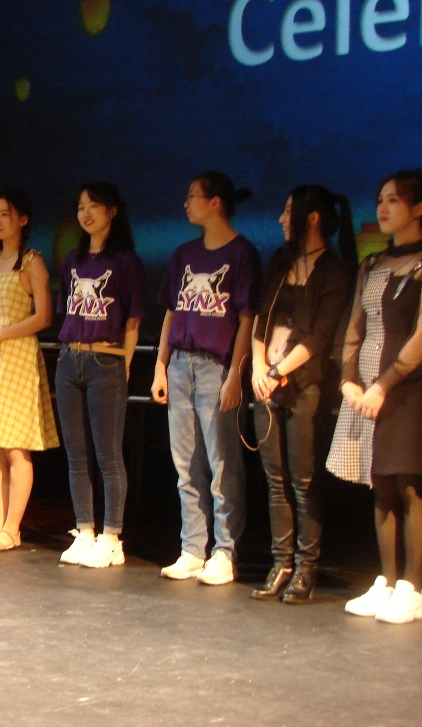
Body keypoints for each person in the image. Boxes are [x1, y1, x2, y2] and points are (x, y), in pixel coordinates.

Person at [327, 169, 422, 624]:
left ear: (419, 208)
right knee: (379, 483)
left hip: (406, 387)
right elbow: (353, 327)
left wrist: (384, 385)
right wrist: (348, 379)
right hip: (367, 388)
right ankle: (387, 580)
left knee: (409, 483)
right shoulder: (373, 264)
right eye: (380, 199)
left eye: (394, 200)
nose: (382, 207)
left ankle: (413, 589)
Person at [150, 172, 260, 586]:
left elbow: (247, 319)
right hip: (180, 364)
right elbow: (172, 311)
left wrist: (236, 374)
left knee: (222, 463)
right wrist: (160, 365)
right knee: (186, 465)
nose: (186, 203)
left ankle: (225, 552)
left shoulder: (242, 254)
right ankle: (192, 548)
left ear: (215, 202)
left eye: (192, 196)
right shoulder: (184, 254)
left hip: (217, 368)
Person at [248, 185, 355, 603]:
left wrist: (279, 371)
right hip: (266, 382)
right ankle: (281, 564)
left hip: (304, 386)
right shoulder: (281, 260)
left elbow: (321, 335)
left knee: (303, 480)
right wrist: (258, 368)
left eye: (288, 211)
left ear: (311, 218)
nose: (281, 218)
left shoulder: (334, 270)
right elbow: (260, 319)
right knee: (274, 479)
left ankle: (306, 567)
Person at [0, 190, 59, 552]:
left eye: (5, 214)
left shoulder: (31, 262)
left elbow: (43, 316)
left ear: (23, 220)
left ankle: (13, 528)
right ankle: (0, 526)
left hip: (17, 355)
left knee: (16, 446)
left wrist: (0, 333)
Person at [55, 182, 145, 569]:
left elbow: (133, 321)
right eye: (81, 206)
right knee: (76, 455)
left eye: (94, 205)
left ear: (112, 211)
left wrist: (125, 363)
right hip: (68, 358)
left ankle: (111, 537)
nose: (86, 213)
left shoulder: (125, 261)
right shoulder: (72, 261)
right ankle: (84, 531)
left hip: (106, 360)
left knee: (108, 454)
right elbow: (65, 309)